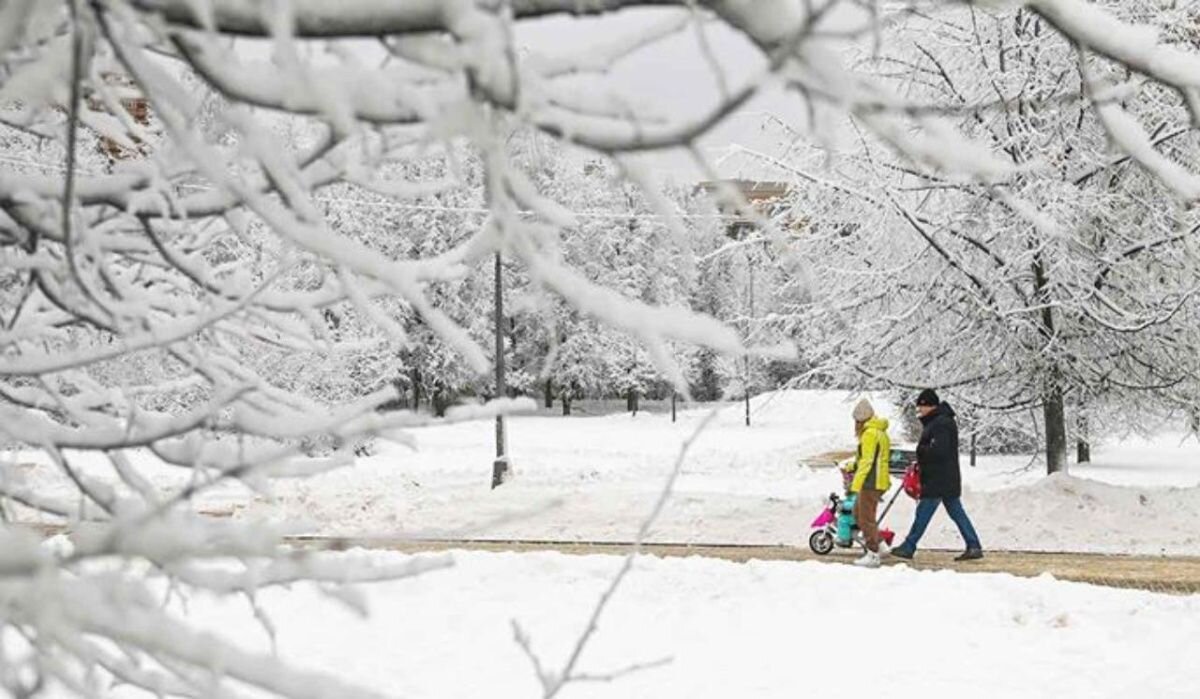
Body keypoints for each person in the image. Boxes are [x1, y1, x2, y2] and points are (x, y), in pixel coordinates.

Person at [891, 389, 983, 561]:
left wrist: (921, 451)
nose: (919, 411)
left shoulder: (940, 423)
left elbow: (939, 450)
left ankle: (909, 546)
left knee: (923, 512)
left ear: (929, 405)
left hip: (938, 479)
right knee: (956, 512)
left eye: (921, 407)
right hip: (945, 477)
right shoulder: (940, 421)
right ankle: (973, 545)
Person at [849, 398, 891, 568]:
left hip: (870, 482)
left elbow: (867, 461)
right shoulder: (879, 432)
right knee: (860, 514)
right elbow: (870, 459)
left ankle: (873, 554)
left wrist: (856, 484)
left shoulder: (869, 434)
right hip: (878, 480)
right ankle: (880, 545)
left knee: (865, 518)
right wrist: (852, 466)